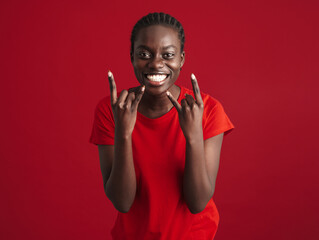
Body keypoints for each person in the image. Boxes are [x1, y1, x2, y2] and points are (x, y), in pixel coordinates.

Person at [89, 12, 234, 240]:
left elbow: (197, 203)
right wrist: (124, 134)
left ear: (182, 59)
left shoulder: (208, 109)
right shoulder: (113, 109)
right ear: (132, 57)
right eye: (144, 54)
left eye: (168, 55)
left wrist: (193, 136)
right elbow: (122, 202)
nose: (156, 63)